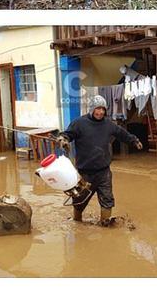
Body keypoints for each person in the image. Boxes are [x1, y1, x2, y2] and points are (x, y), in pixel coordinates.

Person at [58, 95, 143, 225]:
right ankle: (77, 223)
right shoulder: (79, 123)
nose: (101, 112)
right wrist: (63, 139)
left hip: (104, 172)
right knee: (79, 201)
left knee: (107, 200)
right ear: (92, 109)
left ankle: (105, 223)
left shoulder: (109, 125)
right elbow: (68, 134)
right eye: (98, 109)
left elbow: (122, 134)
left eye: (103, 109)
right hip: (84, 173)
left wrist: (134, 140)